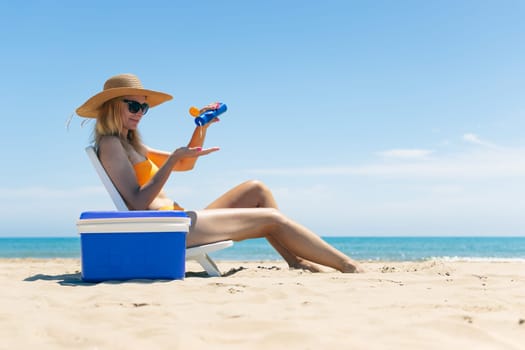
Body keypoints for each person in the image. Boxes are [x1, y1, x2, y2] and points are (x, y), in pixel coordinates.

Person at [76, 73, 362, 273]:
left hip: (178, 220)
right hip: (169, 229)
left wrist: (200, 129)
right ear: (114, 107)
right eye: (134, 105)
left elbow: (186, 164)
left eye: (144, 107)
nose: (140, 112)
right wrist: (171, 160)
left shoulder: (130, 143)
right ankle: (349, 266)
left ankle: (296, 261)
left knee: (256, 189)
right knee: (273, 219)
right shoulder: (112, 145)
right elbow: (138, 204)